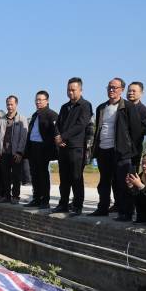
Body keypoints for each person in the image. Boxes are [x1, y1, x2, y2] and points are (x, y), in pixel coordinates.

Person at [89, 78, 142, 222]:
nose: (111, 90)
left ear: (121, 90)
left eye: (115, 87)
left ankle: (126, 212)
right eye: (109, 87)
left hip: (121, 151)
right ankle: (102, 208)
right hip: (103, 149)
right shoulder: (101, 107)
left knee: (123, 183)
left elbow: (136, 131)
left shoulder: (128, 106)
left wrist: (130, 149)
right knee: (104, 182)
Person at [53, 77, 93, 216]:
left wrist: (63, 136)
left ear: (80, 90)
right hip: (63, 147)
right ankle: (63, 203)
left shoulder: (85, 105)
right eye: (68, 90)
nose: (70, 92)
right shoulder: (64, 107)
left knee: (76, 177)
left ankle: (77, 205)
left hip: (76, 147)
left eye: (73, 90)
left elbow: (81, 125)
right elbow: (57, 124)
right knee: (64, 178)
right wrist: (57, 137)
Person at [25, 91, 58, 209]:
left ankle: (45, 200)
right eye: (36, 100)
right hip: (33, 147)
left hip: (43, 149)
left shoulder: (51, 114)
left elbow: (56, 133)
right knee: (34, 174)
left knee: (43, 175)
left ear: (47, 101)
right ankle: (36, 198)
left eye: (40, 100)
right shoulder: (35, 115)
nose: (38, 102)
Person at [0, 96, 29, 204]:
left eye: (11, 104)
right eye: (8, 104)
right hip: (4, 151)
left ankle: (15, 196)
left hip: (16, 152)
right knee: (5, 175)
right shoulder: (2, 120)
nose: (9, 106)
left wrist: (20, 152)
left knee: (16, 175)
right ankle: (6, 195)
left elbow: (24, 137)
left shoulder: (21, 119)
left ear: (16, 104)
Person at [127, 82, 146, 170]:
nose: (130, 93)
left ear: (141, 93)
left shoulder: (144, 111)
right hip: (116, 149)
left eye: (134, 91)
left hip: (133, 150)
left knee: (131, 177)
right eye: (129, 91)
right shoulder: (120, 107)